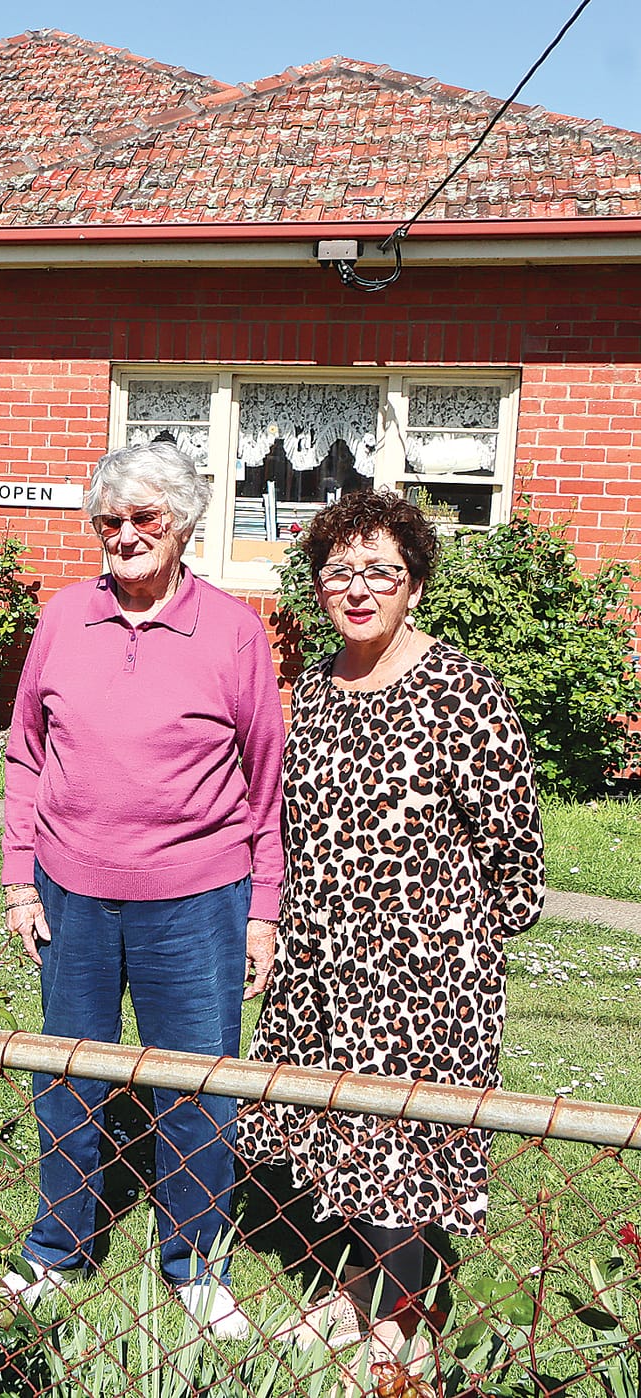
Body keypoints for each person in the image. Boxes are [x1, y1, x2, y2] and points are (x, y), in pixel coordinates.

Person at [238, 490, 544, 1368]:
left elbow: (515, 854)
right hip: (325, 957)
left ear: (415, 584)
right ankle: (350, 1290)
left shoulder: (462, 692)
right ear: (319, 584)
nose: (359, 589)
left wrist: (452, 943)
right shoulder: (319, 693)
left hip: (426, 971)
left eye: (382, 571)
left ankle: (396, 1324)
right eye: (340, 571)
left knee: (402, 1139)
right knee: (343, 1130)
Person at [1, 441, 283, 1338]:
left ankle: (196, 1262)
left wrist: (263, 910)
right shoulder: (62, 618)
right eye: (108, 522)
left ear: (184, 526)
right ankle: (57, 1248)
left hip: (199, 898)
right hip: (71, 890)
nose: (124, 536)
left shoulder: (235, 632)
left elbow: (266, 782)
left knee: (197, 1088)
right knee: (69, 1080)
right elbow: (26, 754)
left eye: (144, 519)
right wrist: (19, 881)